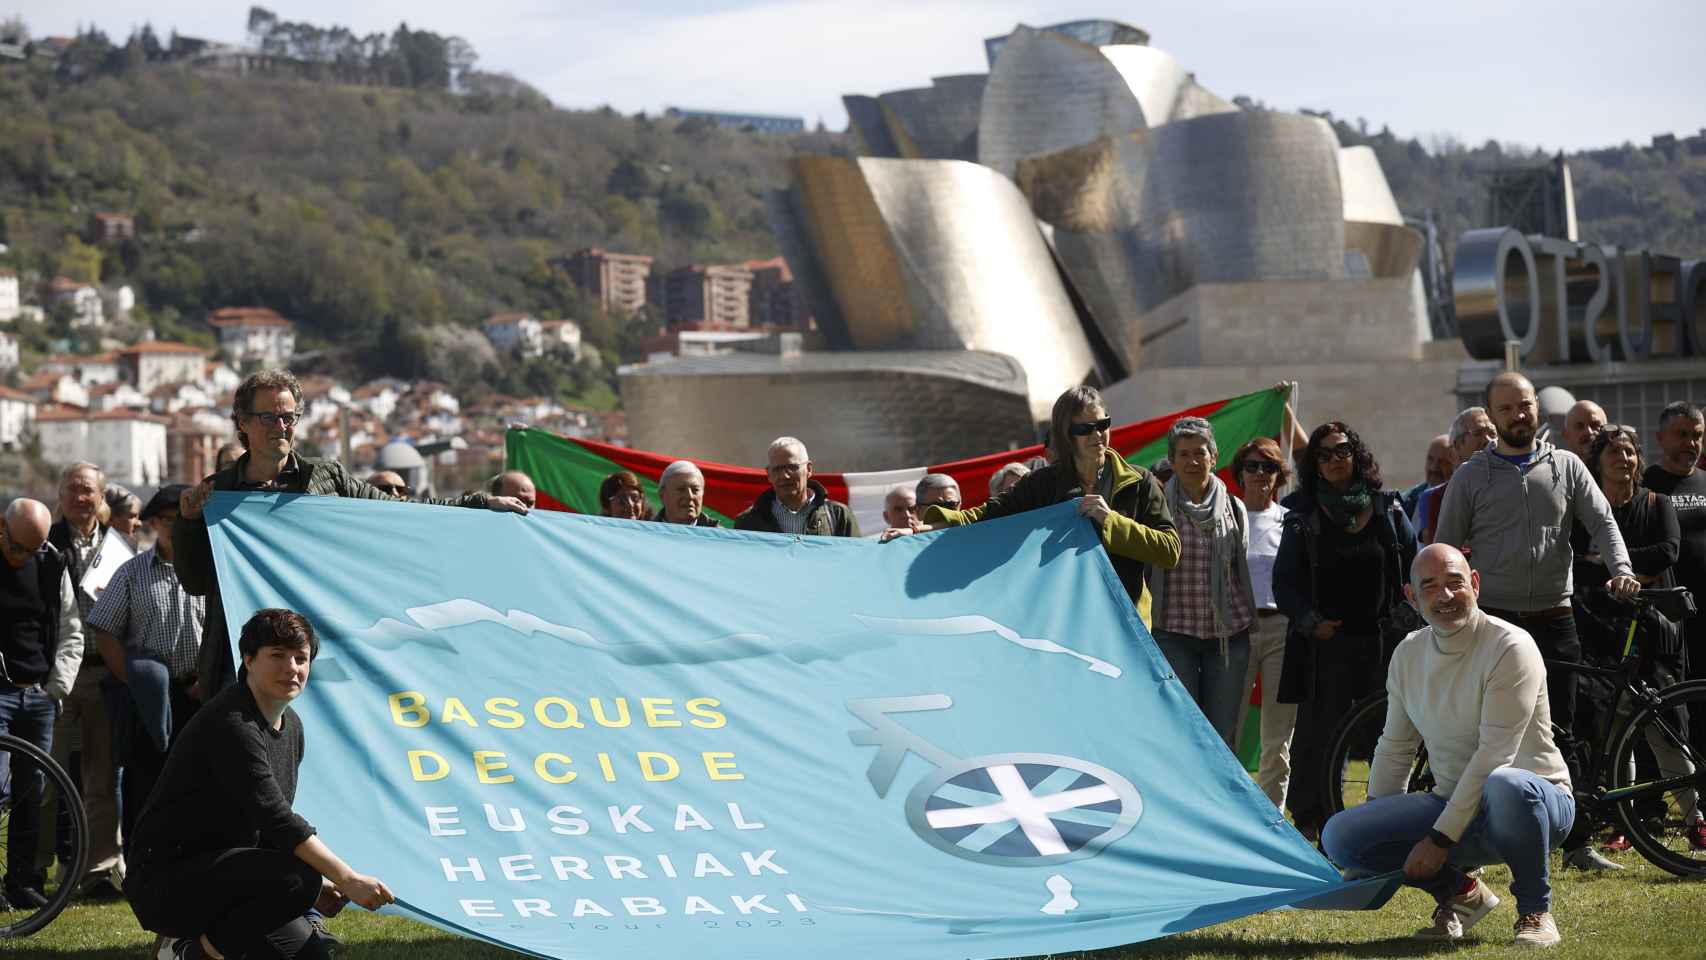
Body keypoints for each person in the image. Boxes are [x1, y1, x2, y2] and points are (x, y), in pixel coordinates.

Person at [174, 370, 530, 696]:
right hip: (239, 656)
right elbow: (195, 582)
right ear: (242, 422)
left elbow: (403, 515)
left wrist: (479, 504)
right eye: (269, 417)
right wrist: (188, 523)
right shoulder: (216, 494)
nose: (281, 426)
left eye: (289, 417)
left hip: (320, 654)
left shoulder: (327, 477)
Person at [1322, 544, 1574, 948]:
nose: (1445, 596)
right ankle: (1461, 895)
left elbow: (1495, 755)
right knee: (1341, 837)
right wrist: (1372, 838)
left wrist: (1438, 841)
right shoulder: (1407, 653)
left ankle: (1535, 912)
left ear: (1474, 583)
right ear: (1411, 596)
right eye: (1431, 586)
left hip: (1538, 803)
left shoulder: (1512, 645)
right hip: (1454, 806)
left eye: (1455, 582)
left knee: (1505, 784)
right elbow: (1395, 746)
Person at [125, 609, 395, 960]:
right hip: (166, 882)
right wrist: (347, 878)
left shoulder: (292, 725)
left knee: (312, 952)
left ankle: (206, 940)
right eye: (278, 656)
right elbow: (278, 820)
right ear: (249, 660)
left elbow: (268, 832)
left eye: (301, 658)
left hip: (230, 877)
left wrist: (316, 891)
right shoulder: (232, 722)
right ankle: (189, 952)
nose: (292, 668)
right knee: (300, 879)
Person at [1433, 371, 1637, 809]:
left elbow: (1603, 522)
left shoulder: (1565, 465)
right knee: (1488, 730)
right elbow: (1445, 548)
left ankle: (1572, 836)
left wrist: (1621, 569)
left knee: (1559, 728)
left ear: (1537, 408)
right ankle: (1480, 827)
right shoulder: (1470, 476)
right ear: (1491, 415)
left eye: (1524, 405)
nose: (1517, 415)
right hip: (1494, 620)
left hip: (1554, 616)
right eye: (1505, 408)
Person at [922, 385, 1180, 632]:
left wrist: (1110, 520)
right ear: (1066, 434)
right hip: (1062, 627)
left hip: (1126, 628)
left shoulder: (1141, 481)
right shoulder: (1042, 483)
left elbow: (1169, 550)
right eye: (1085, 428)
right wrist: (928, 528)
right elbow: (987, 515)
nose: (1097, 434)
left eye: (1103, 424)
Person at [1272, 421, 1418, 840]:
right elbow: (1285, 583)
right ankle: (1313, 825)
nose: (1335, 460)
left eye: (1342, 451)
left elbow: (1413, 564)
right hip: (1325, 647)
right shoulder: (1301, 513)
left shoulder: (1387, 507)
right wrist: (1310, 623)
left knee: (1388, 737)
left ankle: (1391, 821)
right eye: (1324, 454)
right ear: (1314, 464)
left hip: (1382, 645)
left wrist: (1410, 612)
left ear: (1356, 455)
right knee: (1318, 738)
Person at [1569, 425, 1703, 859]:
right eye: (1614, 453)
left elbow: (1667, 551)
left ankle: (1693, 820)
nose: (1623, 460)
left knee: (1666, 731)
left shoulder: (1656, 503)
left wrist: (1610, 566)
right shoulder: (1584, 512)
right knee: (1614, 732)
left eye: (1629, 452)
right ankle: (1624, 822)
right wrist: (1621, 573)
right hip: (1604, 632)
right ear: (1597, 462)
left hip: (1654, 632)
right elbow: (1575, 565)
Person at [87, 485, 204, 865]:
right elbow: (103, 628)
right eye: (169, 520)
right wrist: (129, 677)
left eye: (184, 519)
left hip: (198, 693)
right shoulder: (133, 572)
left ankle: (193, 861)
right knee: (144, 781)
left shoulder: (210, 571)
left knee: (198, 783)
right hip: (149, 694)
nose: (176, 527)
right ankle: (142, 863)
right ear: (153, 523)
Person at [1145, 417, 1255, 746]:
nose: (1193, 461)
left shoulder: (1234, 507)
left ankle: (1221, 799)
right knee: (1181, 733)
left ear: (1214, 456)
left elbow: (1239, 566)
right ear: (1173, 460)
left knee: (1223, 736)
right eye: (1184, 454)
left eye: (1200, 453)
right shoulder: (1156, 507)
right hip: (1174, 634)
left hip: (1229, 636)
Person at [0, 498, 84, 911]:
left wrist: (56, 688)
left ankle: (21, 882)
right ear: (2, 527)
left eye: (31, 550)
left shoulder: (52, 564)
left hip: (38, 695)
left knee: (31, 795)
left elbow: (71, 629)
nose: (22, 558)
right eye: (17, 548)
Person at [46, 461, 124, 896]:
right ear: (59, 496)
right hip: (54, 674)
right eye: (73, 489)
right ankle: (32, 874)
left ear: (101, 497)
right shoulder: (43, 542)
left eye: (88, 490)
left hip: (102, 674)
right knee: (42, 780)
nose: (80, 497)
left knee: (101, 780)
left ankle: (98, 872)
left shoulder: (119, 547)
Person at [1230, 437, 1297, 809]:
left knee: (1278, 738)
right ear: (1240, 472)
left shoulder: (1290, 521)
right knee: (1230, 731)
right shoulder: (1228, 516)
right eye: (1252, 466)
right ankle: (1230, 815)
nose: (1259, 474)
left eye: (1268, 467)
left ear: (1279, 475)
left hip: (1280, 630)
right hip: (1237, 629)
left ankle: (1271, 819)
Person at [1642, 402, 1706, 763]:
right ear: (1660, 438)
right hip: (1669, 620)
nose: (1691, 444)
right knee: (1672, 710)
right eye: (1682, 435)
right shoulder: (1647, 485)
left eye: (1697, 435)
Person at [734, 437, 859, 537]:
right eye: (777, 469)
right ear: (769, 474)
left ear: (808, 469)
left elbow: (854, 562)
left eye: (792, 467)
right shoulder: (748, 521)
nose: (784, 476)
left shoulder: (837, 516)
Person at [1413, 407, 1496, 544]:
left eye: (1492, 433)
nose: (1488, 440)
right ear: (1457, 446)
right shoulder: (1436, 498)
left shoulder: (1513, 482)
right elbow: (1441, 552)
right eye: (1478, 433)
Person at [1401, 435, 1452, 519]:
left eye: (1441, 461)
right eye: (1430, 459)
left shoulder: (1457, 502)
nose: (1434, 467)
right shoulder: (1408, 499)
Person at [653, 461, 717, 526]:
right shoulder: (645, 532)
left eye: (695, 490)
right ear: (662, 495)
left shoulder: (719, 534)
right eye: (681, 489)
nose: (690, 496)